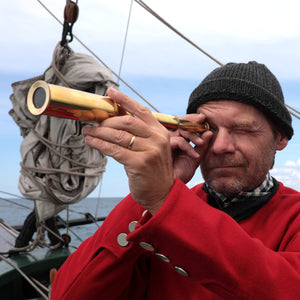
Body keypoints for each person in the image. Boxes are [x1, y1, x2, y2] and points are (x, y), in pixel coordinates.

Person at [50, 61, 300, 299]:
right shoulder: (155, 211)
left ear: (280, 139)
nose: (220, 146)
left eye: (243, 129)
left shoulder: (294, 216)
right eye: (207, 130)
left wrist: (163, 202)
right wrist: (149, 199)